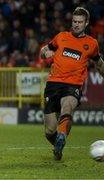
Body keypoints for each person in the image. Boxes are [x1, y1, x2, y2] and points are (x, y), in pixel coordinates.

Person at [40, 7, 104, 161]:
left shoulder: (92, 43)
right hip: (53, 84)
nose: (76, 25)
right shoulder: (61, 37)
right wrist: (44, 53)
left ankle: (62, 136)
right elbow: (45, 50)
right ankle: (57, 143)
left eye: (80, 22)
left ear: (86, 23)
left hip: (72, 85)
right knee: (49, 131)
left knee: (67, 106)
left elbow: (98, 63)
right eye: (74, 21)